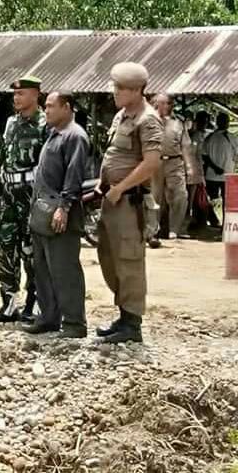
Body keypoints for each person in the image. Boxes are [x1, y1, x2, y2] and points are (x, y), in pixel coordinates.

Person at [95, 62, 162, 344]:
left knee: (129, 260)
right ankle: (123, 315)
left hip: (129, 202)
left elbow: (152, 163)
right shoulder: (122, 115)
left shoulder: (148, 119)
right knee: (108, 257)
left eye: (121, 88)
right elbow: (114, 153)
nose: (115, 92)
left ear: (137, 90)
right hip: (111, 198)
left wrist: (120, 187)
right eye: (115, 86)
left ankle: (132, 324)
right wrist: (103, 181)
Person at [24, 91, 90, 338]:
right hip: (42, 213)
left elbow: (74, 177)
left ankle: (74, 322)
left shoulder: (75, 136)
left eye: (51, 106)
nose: (46, 111)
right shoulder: (54, 133)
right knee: (42, 268)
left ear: (67, 107)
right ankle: (49, 317)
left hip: (61, 213)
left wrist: (64, 207)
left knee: (65, 270)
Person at [0, 76, 47, 324]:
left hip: (31, 195)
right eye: (14, 94)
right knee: (5, 248)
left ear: (36, 95)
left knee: (31, 251)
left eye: (22, 93)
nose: (16, 98)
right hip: (9, 196)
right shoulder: (10, 123)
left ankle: (34, 303)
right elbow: (4, 156)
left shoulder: (45, 124)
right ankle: (8, 303)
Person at [145, 93, 192, 246]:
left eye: (170, 103)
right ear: (156, 104)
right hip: (154, 163)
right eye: (165, 103)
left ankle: (174, 229)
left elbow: (185, 146)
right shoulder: (148, 121)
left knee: (180, 195)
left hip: (174, 162)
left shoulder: (178, 124)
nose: (168, 106)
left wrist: (189, 166)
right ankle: (153, 230)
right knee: (154, 197)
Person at [203, 113, 238, 229]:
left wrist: (214, 167)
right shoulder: (229, 138)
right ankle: (219, 223)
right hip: (222, 174)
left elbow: (205, 157)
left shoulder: (210, 138)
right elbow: (205, 156)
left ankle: (220, 223)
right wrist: (216, 167)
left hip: (217, 175)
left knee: (215, 200)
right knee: (220, 201)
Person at [187, 111, 211, 228]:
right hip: (194, 169)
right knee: (192, 197)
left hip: (198, 167)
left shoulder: (201, 135)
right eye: (204, 122)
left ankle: (197, 219)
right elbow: (194, 154)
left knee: (197, 195)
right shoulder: (196, 136)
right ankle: (189, 218)